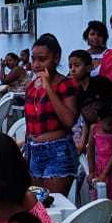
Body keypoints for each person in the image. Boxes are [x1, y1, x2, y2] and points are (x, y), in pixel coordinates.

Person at [23, 34, 79, 196]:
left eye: (42, 59)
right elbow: (29, 123)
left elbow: (69, 121)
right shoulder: (31, 86)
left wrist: (48, 87)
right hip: (34, 150)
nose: (36, 65)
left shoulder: (65, 84)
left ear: (55, 58)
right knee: (38, 206)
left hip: (58, 149)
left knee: (54, 203)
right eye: (33, 60)